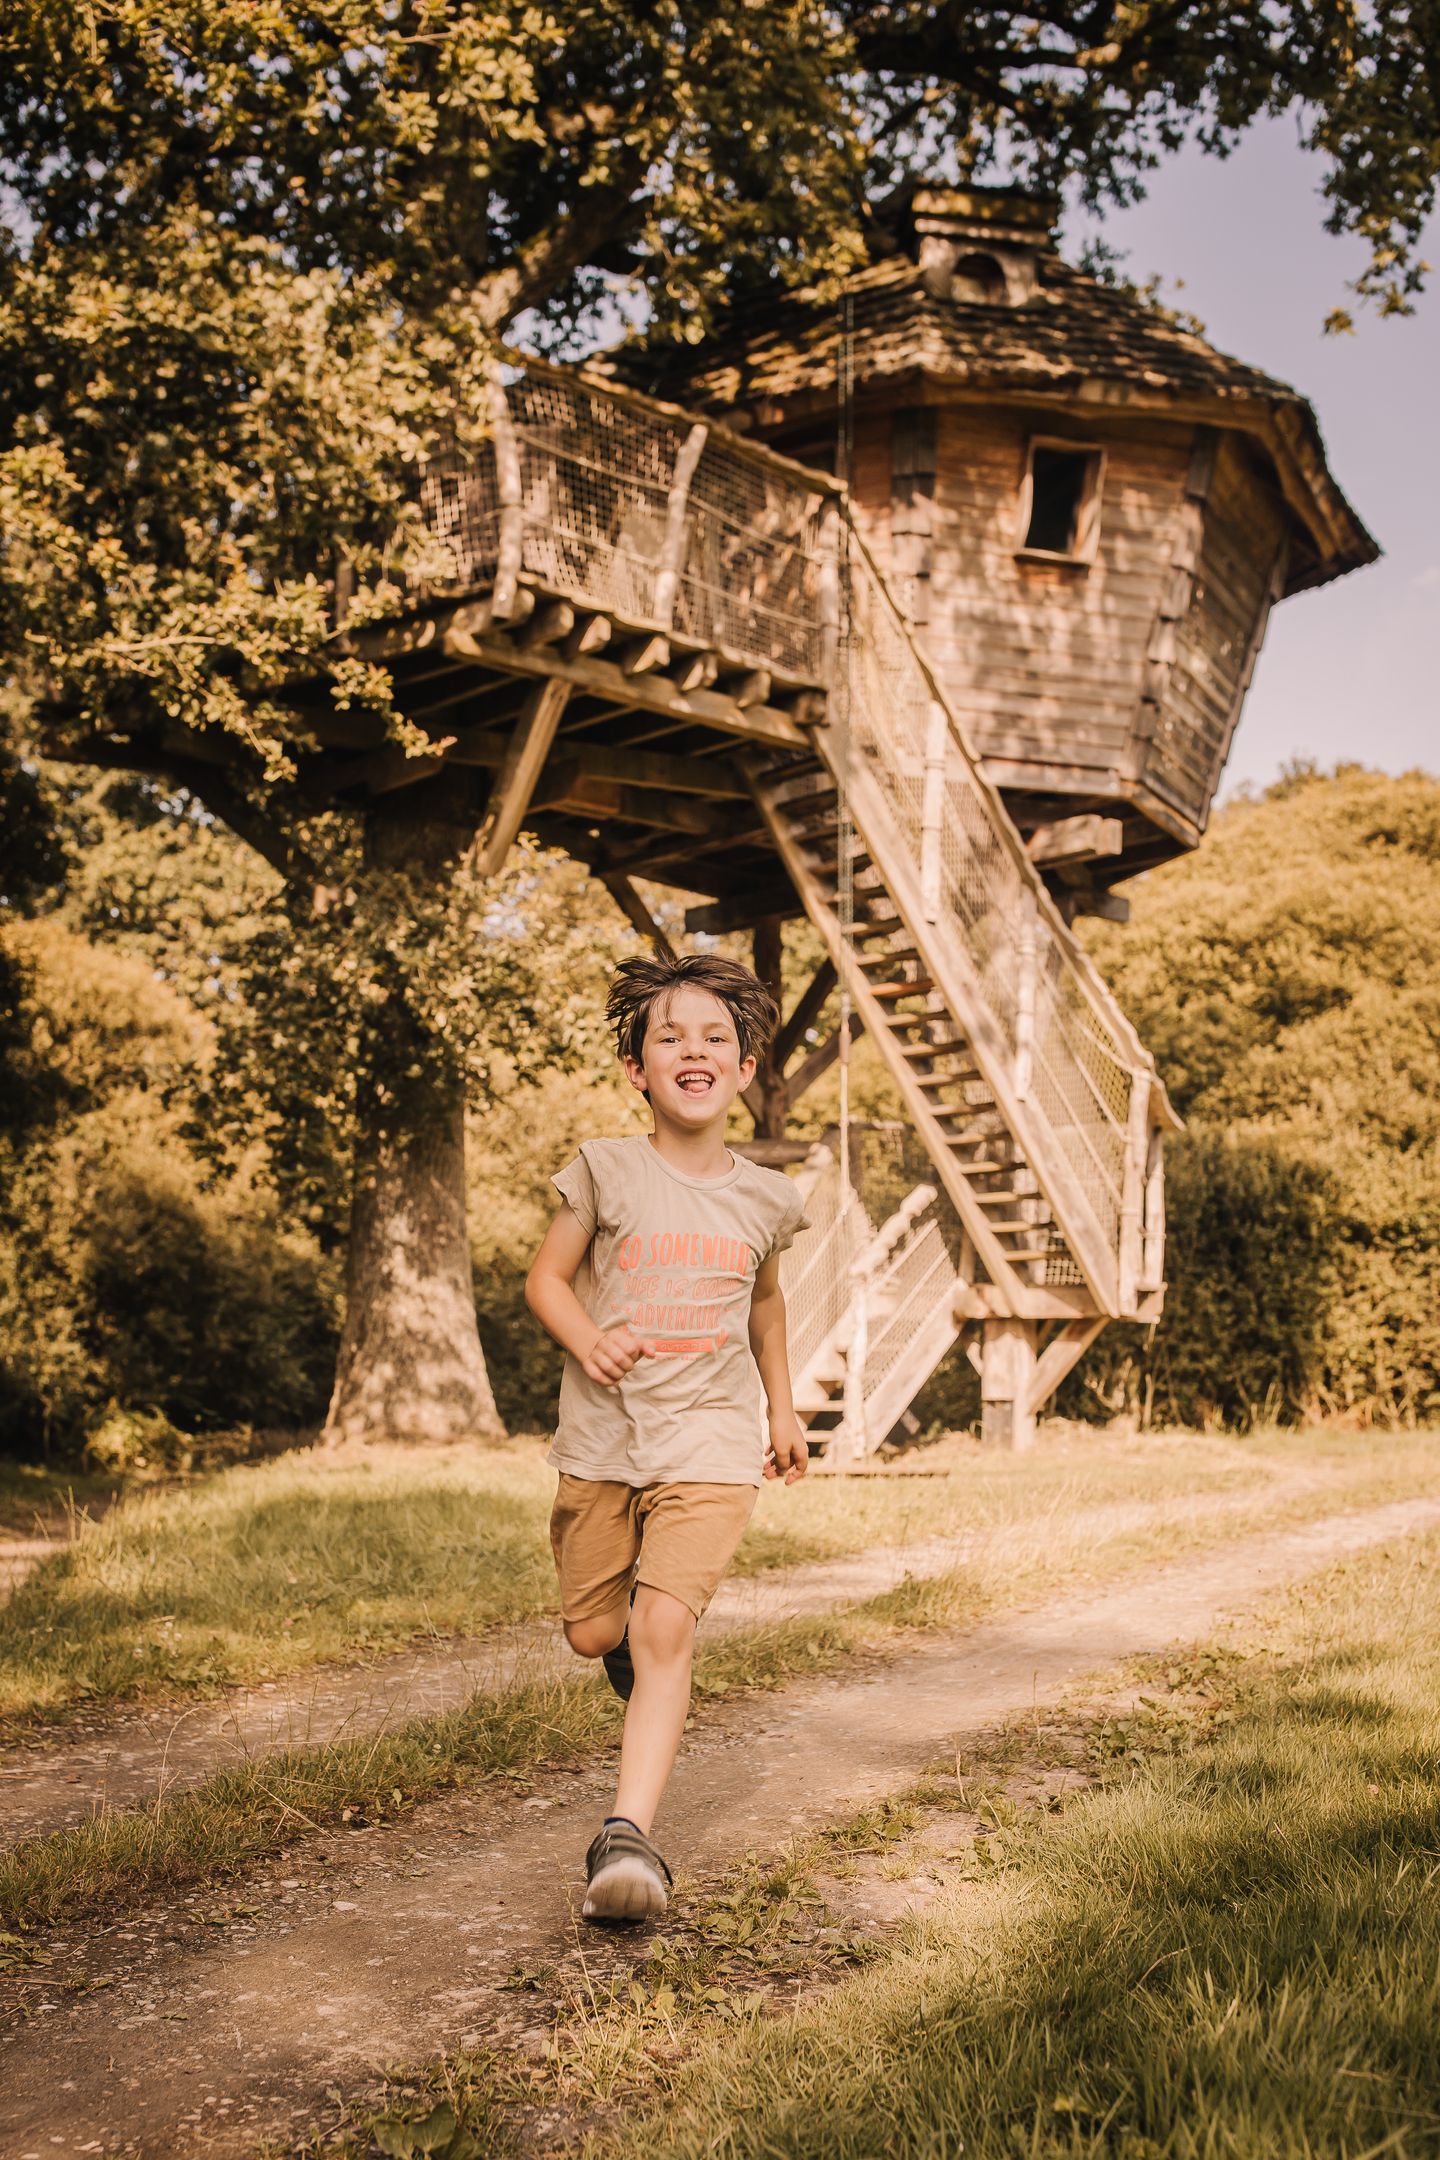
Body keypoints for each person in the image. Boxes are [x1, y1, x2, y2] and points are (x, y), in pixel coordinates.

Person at [525, 951, 811, 1924]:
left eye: (715, 1038)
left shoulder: (767, 1200)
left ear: (743, 1070)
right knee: (594, 1632)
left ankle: (628, 1837)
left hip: (710, 1444)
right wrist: (589, 1338)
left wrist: (780, 1408)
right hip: (604, 1443)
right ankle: (627, 1654)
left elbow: (765, 1308)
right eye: (669, 1036)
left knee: (662, 1630)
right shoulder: (605, 1168)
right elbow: (547, 1281)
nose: (693, 1050)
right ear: (638, 1070)